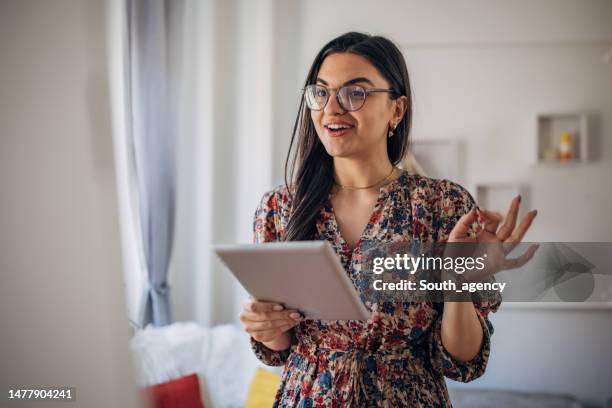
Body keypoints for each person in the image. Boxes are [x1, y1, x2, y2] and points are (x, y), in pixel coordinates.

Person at [239, 32, 538, 407]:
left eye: (355, 93)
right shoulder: (280, 207)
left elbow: (463, 361)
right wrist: (265, 326)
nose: (332, 109)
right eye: (321, 92)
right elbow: (280, 347)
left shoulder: (442, 205)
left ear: (397, 110)